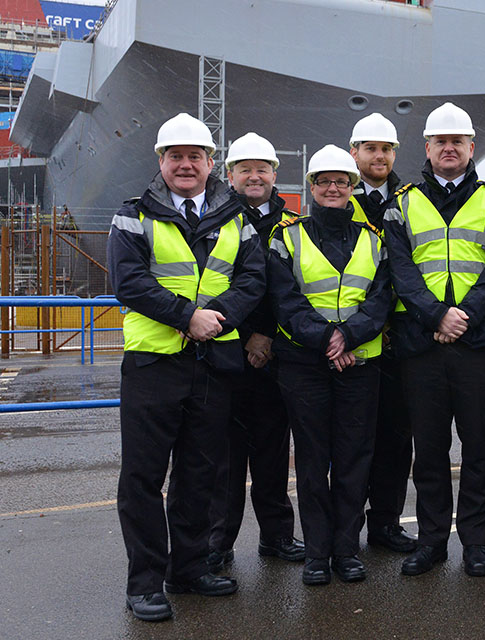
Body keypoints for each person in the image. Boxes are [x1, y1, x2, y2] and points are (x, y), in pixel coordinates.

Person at [108, 113, 265, 621]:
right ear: (160, 162)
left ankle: (190, 567)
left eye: (194, 156)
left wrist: (215, 321)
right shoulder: (134, 215)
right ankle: (146, 581)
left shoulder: (234, 217)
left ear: (210, 163)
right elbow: (129, 282)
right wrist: (187, 317)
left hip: (213, 362)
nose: (185, 164)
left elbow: (252, 280)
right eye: (175, 156)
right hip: (155, 363)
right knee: (143, 476)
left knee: (202, 474)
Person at [382, 102, 485, 577]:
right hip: (422, 345)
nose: (448, 148)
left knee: (481, 447)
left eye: (457, 141)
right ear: (427, 148)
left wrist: (465, 316)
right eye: (440, 141)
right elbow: (400, 269)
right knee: (431, 451)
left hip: (478, 345)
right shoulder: (401, 203)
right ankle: (433, 541)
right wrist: (438, 314)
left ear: (471, 147)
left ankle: (476, 542)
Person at [268, 144, 391, 585]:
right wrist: (328, 340)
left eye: (342, 181)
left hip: (360, 363)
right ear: (312, 187)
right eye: (324, 182)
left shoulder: (375, 240)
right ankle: (318, 553)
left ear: (353, 187)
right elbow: (285, 300)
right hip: (305, 363)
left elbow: (381, 299)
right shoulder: (286, 237)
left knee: (354, 459)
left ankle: (347, 550)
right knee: (314, 460)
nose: (333, 188)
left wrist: (349, 336)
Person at [207, 133, 304, 572]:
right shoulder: (212, 220)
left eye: (262, 168)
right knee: (224, 457)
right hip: (226, 350)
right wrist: (247, 335)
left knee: (270, 451)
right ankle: (218, 540)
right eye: (244, 168)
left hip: (276, 355)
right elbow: (216, 284)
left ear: (274, 175)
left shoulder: (294, 223)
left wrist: (266, 335)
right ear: (229, 175)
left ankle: (278, 536)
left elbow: (291, 287)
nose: (254, 175)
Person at [348, 113, 418, 554]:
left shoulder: (412, 200)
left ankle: (386, 524)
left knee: (396, 439)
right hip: (352, 340)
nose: (379, 156)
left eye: (386, 149)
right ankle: (348, 526)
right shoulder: (334, 195)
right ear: (353, 152)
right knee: (354, 441)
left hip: (400, 340)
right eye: (370, 148)